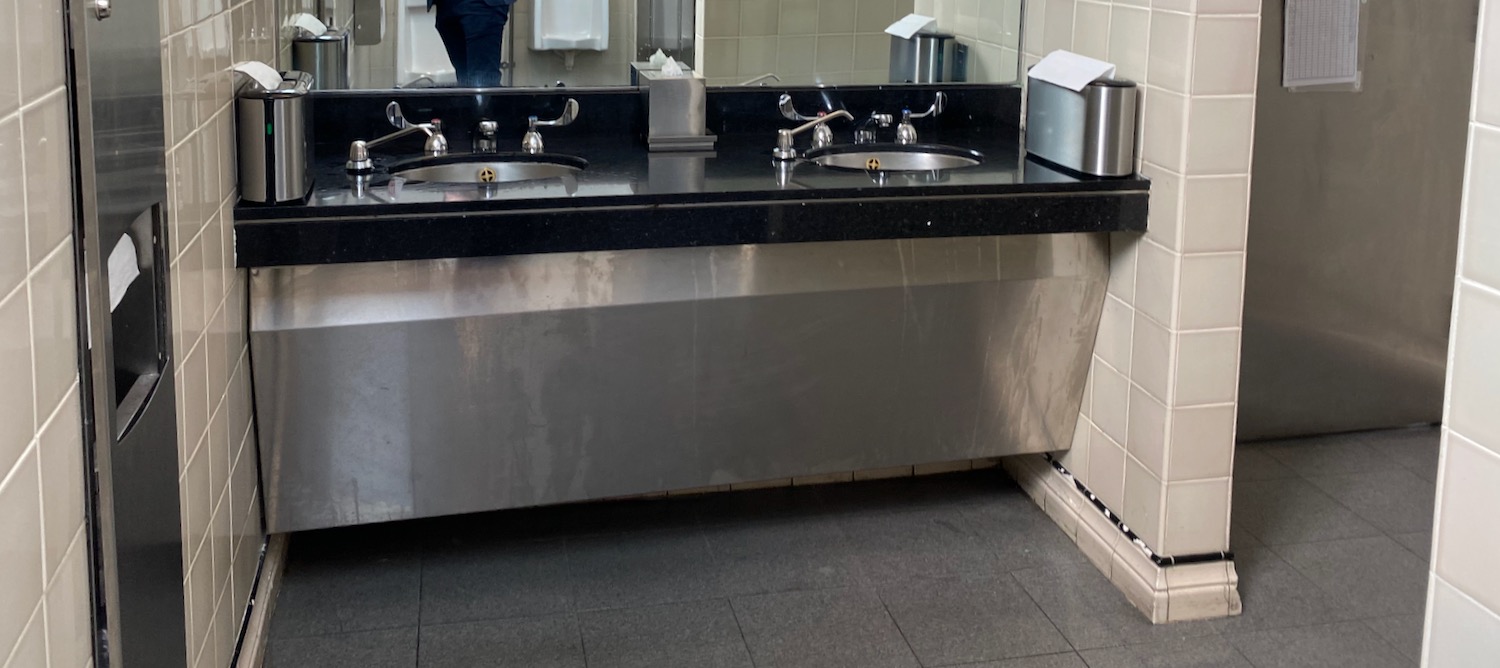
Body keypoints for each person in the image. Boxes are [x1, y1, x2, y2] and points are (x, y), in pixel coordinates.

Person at [430, 0, 516, 87]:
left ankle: (482, 99)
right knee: (467, 80)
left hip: (482, 6)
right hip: (447, 6)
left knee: (482, 82)